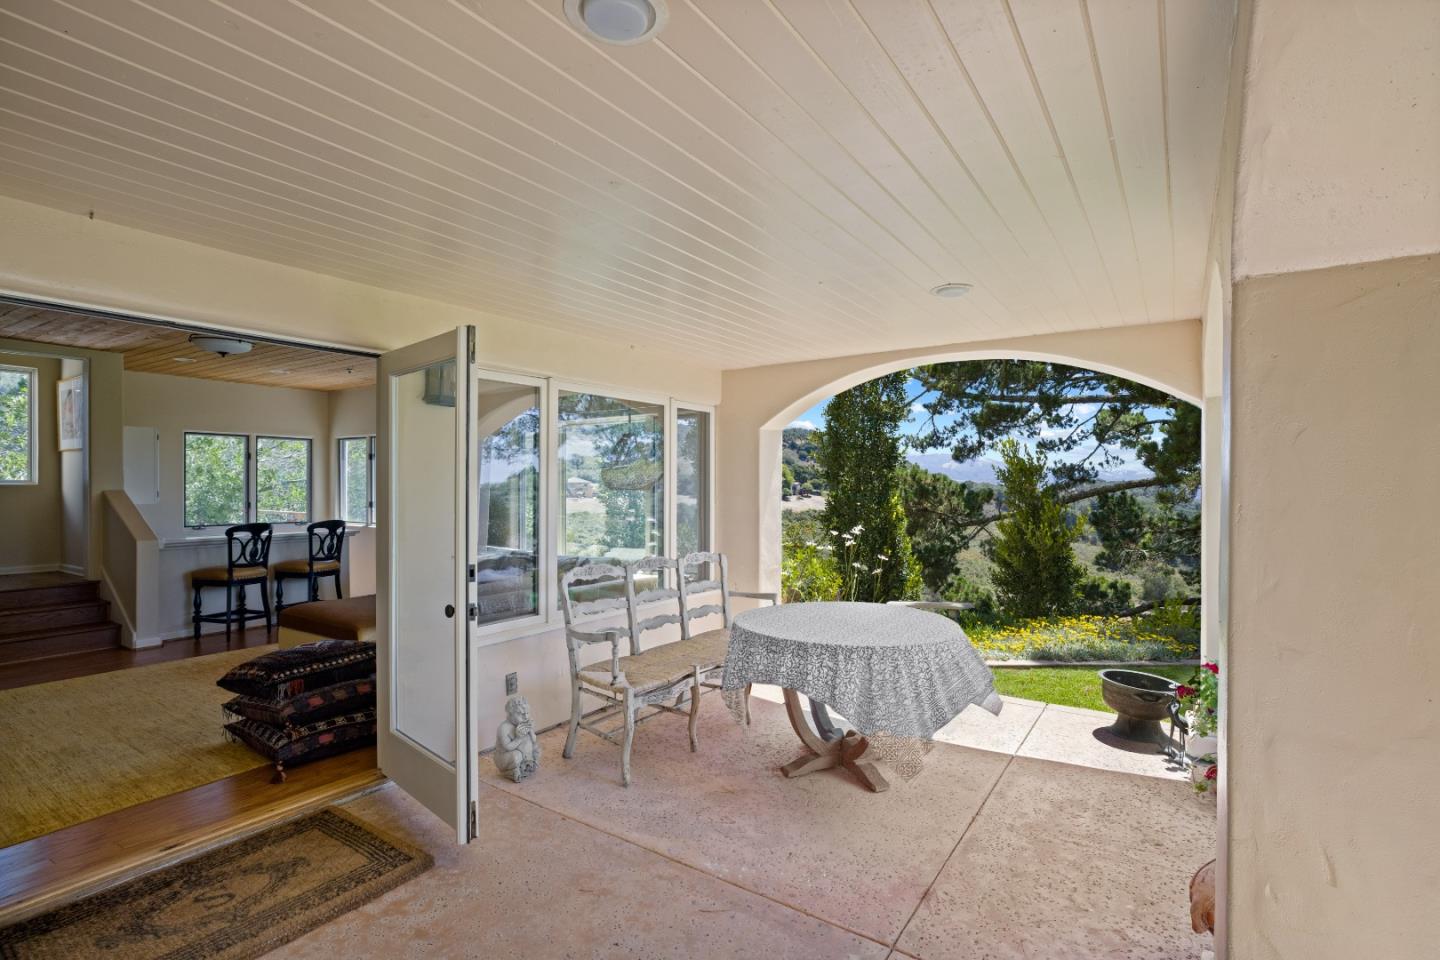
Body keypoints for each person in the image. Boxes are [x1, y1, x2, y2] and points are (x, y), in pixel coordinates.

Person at [493, 695, 540, 782]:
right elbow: (508, 747)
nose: (526, 717)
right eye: (521, 714)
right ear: (511, 714)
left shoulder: (524, 723)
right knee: (516, 756)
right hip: (505, 757)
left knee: (534, 747)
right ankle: (509, 771)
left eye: (527, 713)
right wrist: (519, 738)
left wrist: (530, 731)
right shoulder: (504, 728)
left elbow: (534, 740)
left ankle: (526, 765)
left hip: (521, 753)